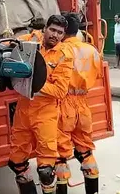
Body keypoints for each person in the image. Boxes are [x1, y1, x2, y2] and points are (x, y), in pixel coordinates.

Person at [8, 15, 74, 194]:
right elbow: (10, 46)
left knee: (46, 170)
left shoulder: (64, 57)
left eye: (59, 33)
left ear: (63, 36)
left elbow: (60, 91)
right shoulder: (31, 40)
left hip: (46, 115)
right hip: (23, 111)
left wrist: (35, 82)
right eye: (52, 30)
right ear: (45, 28)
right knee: (16, 163)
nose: (55, 35)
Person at [55, 13, 102, 194]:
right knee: (86, 151)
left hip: (63, 104)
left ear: (63, 30)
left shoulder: (60, 51)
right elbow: (97, 74)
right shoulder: (92, 50)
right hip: (83, 105)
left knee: (60, 157)